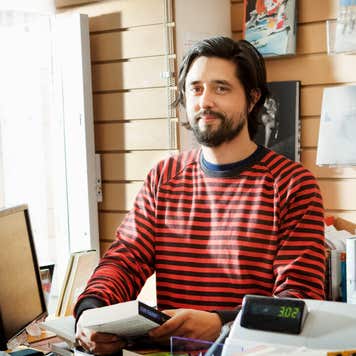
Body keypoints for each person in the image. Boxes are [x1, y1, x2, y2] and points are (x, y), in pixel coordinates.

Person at [74, 36, 325, 355]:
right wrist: (90, 313)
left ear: (251, 99)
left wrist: (220, 324)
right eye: (195, 88)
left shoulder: (293, 185)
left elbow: (295, 306)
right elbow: (126, 259)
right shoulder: (163, 176)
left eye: (221, 88)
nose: (205, 101)